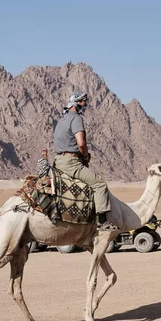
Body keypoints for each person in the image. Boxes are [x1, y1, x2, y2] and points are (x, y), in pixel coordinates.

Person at [53, 91, 111, 225]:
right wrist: (85, 156)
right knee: (99, 184)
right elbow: (81, 143)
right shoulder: (76, 119)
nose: (85, 105)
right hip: (71, 163)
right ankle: (102, 222)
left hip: (58, 161)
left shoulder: (61, 121)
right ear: (76, 103)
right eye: (83, 102)